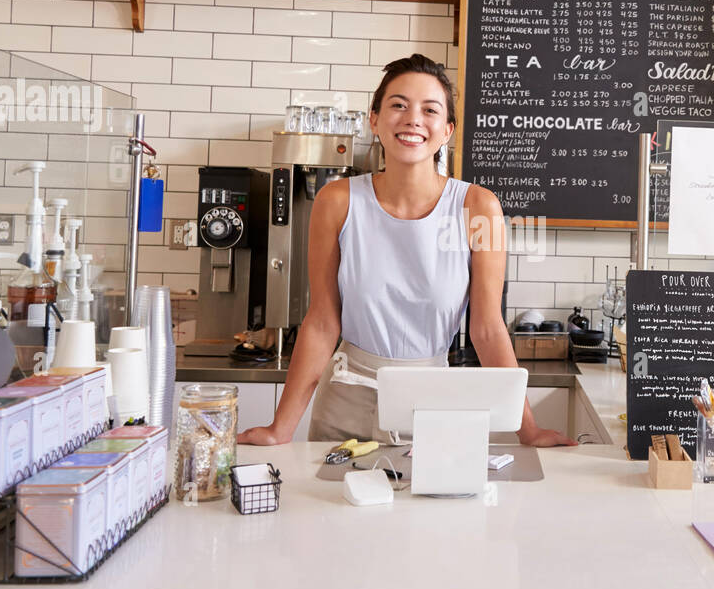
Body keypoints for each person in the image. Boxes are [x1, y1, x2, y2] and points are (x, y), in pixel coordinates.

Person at [237, 54, 575, 448]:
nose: (413, 119)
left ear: (447, 130)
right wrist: (281, 428)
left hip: (430, 402)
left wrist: (528, 430)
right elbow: (322, 322)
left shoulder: (479, 208)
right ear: (374, 119)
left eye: (430, 110)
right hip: (346, 399)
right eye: (398, 105)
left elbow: (486, 328)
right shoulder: (337, 201)